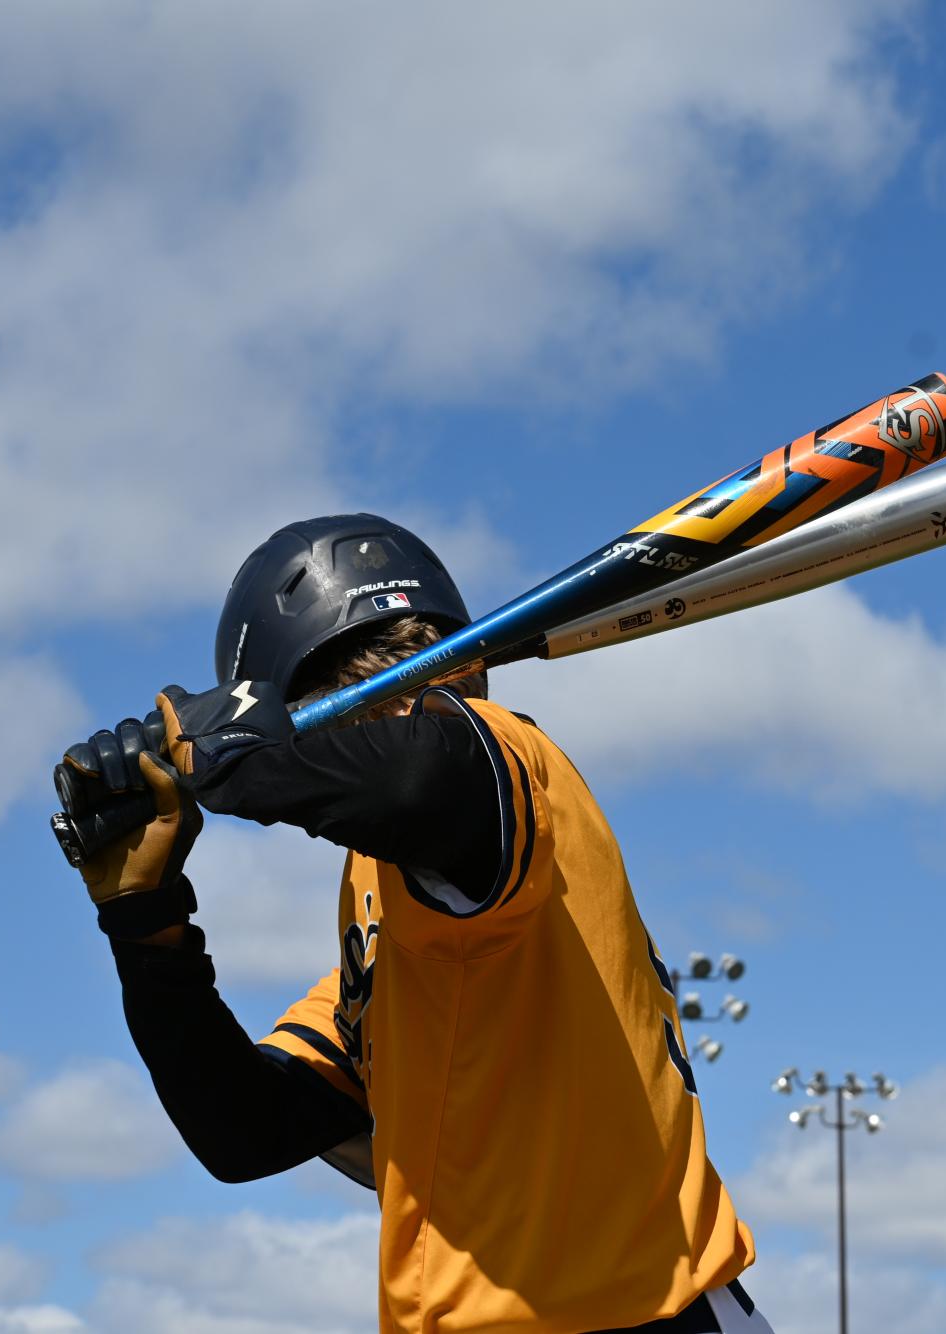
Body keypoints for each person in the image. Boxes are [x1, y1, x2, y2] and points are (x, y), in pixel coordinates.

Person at [55, 514, 771, 1333]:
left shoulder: (505, 762)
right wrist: (146, 928)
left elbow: (419, 782)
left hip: (638, 1314)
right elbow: (243, 1130)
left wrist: (235, 752)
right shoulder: (397, 910)